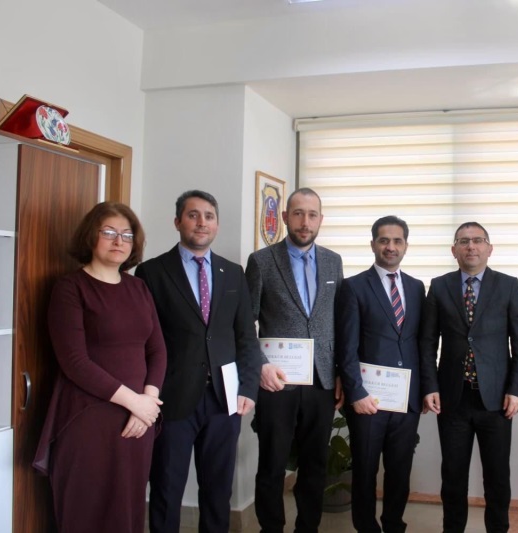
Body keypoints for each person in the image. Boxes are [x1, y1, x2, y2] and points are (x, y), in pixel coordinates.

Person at [33, 202, 167, 532]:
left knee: (128, 511)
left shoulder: (138, 288)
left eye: (127, 234)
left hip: (138, 423)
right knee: (87, 511)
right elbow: (75, 362)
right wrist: (135, 402)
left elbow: (158, 350)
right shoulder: (70, 288)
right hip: (88, 418)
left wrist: (148, 403)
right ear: (90, 237)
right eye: (108, 232)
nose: (118, 241)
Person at [136, 190, 261, 532]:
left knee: (218, 492)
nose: (201, 222)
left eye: (209, 216)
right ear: (177, 221)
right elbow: (144, 340)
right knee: (166, 489)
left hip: (224, 398)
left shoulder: (233, 273)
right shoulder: (151, 272)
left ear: (217, 224)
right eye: (193, 215)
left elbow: (245, 337)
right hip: (171, 397)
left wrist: (249, 387)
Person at [420, 222, 518, 533]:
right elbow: (427, 343)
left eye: (478, 240)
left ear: (489, 248)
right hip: (453, 398)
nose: (471, 246)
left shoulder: (508, 285)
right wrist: (429, 385)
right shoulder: (439, 286)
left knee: (497, 476)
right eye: (464, 241)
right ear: (454, 250)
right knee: (453, 476)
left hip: (497, 400)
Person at [246, 187, 344, 532]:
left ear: (320, 220)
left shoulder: (333, 261)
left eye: (312, 214)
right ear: (286, 217)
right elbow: (244, 322)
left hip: (321, 380)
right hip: (277, 381)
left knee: (315, 465)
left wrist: (340, 373)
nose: (305, 221)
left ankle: (308, 527)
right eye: (298, 213)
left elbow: (338, 321)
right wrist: (260, 365)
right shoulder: (261, 261)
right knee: (272, 464)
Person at [335, 215, 426, 533]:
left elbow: (420, 343)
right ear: (373, 244)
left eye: (397, 240)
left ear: (406, 246)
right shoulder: (354, 286)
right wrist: (355, 392)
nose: (391, 246)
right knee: (365, 470)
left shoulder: (416, 288)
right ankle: (366, 527)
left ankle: (393, 525)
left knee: (400, 471)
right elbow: (346, 346)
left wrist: (424, 390)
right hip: (368, 400)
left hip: (406, 400)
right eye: (384, 240)